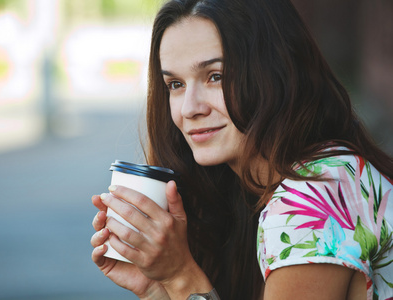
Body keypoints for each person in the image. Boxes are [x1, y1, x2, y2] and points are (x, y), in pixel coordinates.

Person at [90, 0, 393, 299]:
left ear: (275, 72)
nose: (189, 109)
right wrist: (158, 290)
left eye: (215, 76)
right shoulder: (291, 181)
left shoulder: (310, 199)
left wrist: (180, 277)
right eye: (175, 84)